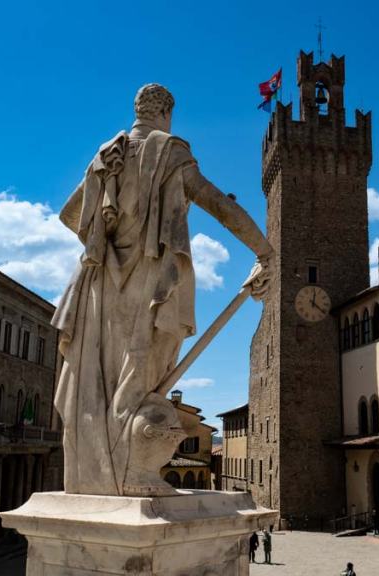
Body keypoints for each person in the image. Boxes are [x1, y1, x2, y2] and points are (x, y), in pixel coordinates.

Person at [52, 83, 273, 496]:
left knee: (96, 382)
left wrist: (106, 232)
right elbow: (218, 204)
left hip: (99, 288)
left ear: (137, 111)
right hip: (149, 285)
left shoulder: (107, 156)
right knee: (138, 382)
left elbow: (70, 215)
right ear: (166, 113)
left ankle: (98, 476)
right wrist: (264, 249)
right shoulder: (169, 151)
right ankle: (133, 475)